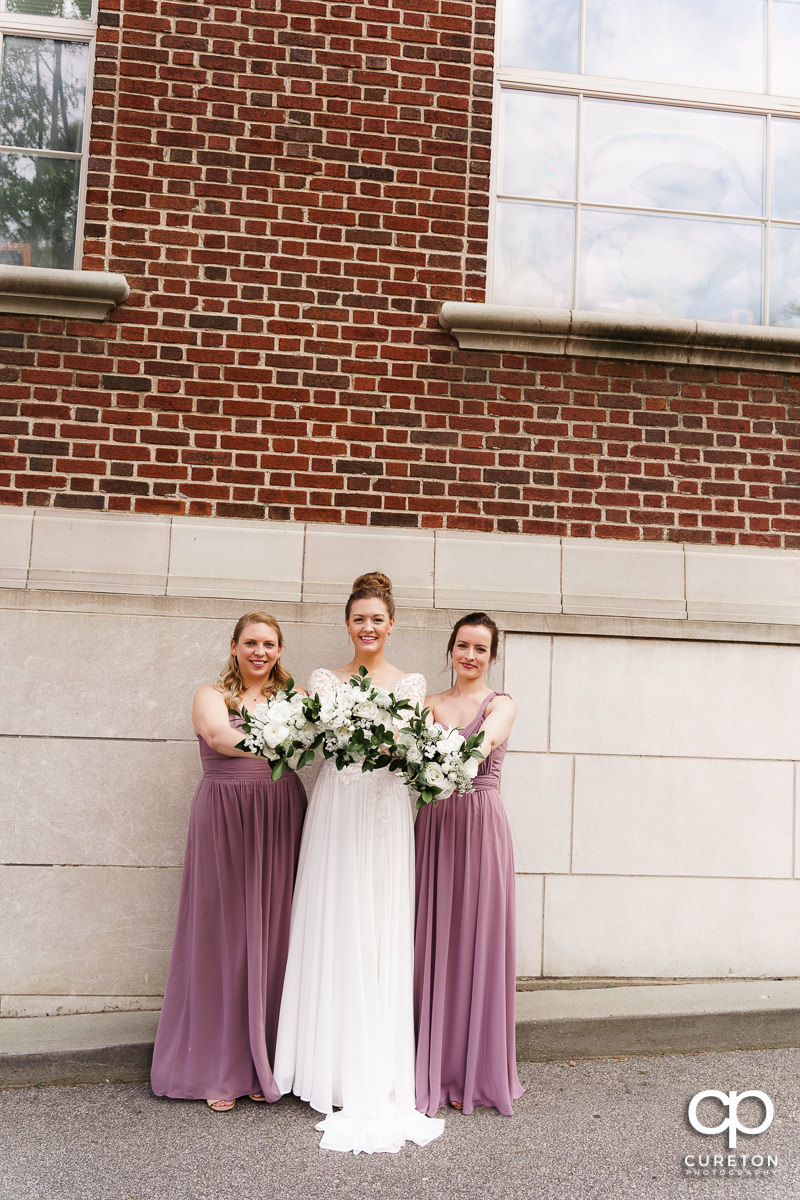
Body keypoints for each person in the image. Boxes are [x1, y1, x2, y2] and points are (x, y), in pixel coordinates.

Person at [274, 572, 445, 1154]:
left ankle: (378, 1064)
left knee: (379, 919)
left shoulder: (412, 683)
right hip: (340, 802)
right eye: (358, 619)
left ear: (392, 624)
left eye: (377, 619)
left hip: (387, 806)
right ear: (346, 625)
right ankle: (331, 1064)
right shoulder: (325, 680)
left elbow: (415, 747)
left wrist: (398, 746)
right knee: (337, 915)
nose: (368, 627)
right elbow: (317, 741)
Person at [151, 612, 307, 1112]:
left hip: (281, 811)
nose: (260, 651)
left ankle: (266, 1061)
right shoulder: (209, 695)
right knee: (222, 933)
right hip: (225, 815)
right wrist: (282, 739)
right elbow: (219, 738)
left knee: (275, 932)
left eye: (270, 644)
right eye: (251, 643)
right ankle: (219, 1065)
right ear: (234, 646)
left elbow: (316, 744)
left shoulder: (296, 698)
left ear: (280, 650)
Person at [414, 612, 524, 1116]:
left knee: (475, 941)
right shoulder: (426, 704)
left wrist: (454, 753)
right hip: (433, 825)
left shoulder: (500, 704)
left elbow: (487, 740)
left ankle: (472, 1070)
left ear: (492, 656)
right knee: (432, 940)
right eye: (463, 646)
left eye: (481, 649)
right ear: (450, 650)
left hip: (480, 822)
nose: (470, 656)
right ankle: (431, 1065)